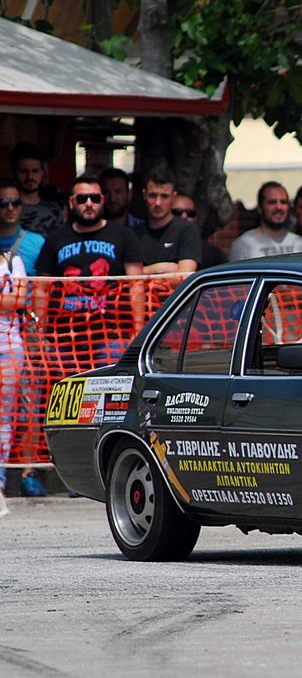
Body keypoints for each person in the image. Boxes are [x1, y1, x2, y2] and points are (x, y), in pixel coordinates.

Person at [35, 174, 146, 373]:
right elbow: (42, 289)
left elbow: (136, 284)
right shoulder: (55, 239)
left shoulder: (123, 235)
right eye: (81, 199)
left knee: (108, 397)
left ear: (102, 200)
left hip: (111, 336)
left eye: (94, 198)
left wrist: (138, 331)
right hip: (65, 337)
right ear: (71, 202)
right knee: (68, 398)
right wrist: (40, 334)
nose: (88, 204)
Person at [0, 180, 36, 497]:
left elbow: (19, 301)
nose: (9, 209)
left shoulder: (15, 262)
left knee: (5, 419)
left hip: (9, 350)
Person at [135, 167, 201, 275]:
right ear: (144, 195)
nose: (158, 203)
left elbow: (185, 277)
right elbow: (125, 277)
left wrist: (142, 272)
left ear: (174, 197)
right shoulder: (133, 234)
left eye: (164, 196)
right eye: (153, 195)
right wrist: (157, 269)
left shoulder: (187, 230)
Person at [230, 182, 302, 261]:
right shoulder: (242, 245)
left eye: (283, 202)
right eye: (272, 202)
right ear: (260, 208)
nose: (279, 207)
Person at [11, 142, 61, 236]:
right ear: (14, 173)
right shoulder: (7, 209)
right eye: (23, 171)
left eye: (35, 171)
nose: (30, 177)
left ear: (42, 173)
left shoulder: (55, 211)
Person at [172, 193, 226, 270]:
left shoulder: (211, 252)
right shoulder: (155, 241)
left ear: (195, 218)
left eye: (190, 213)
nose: (184, 216)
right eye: (177, 212)